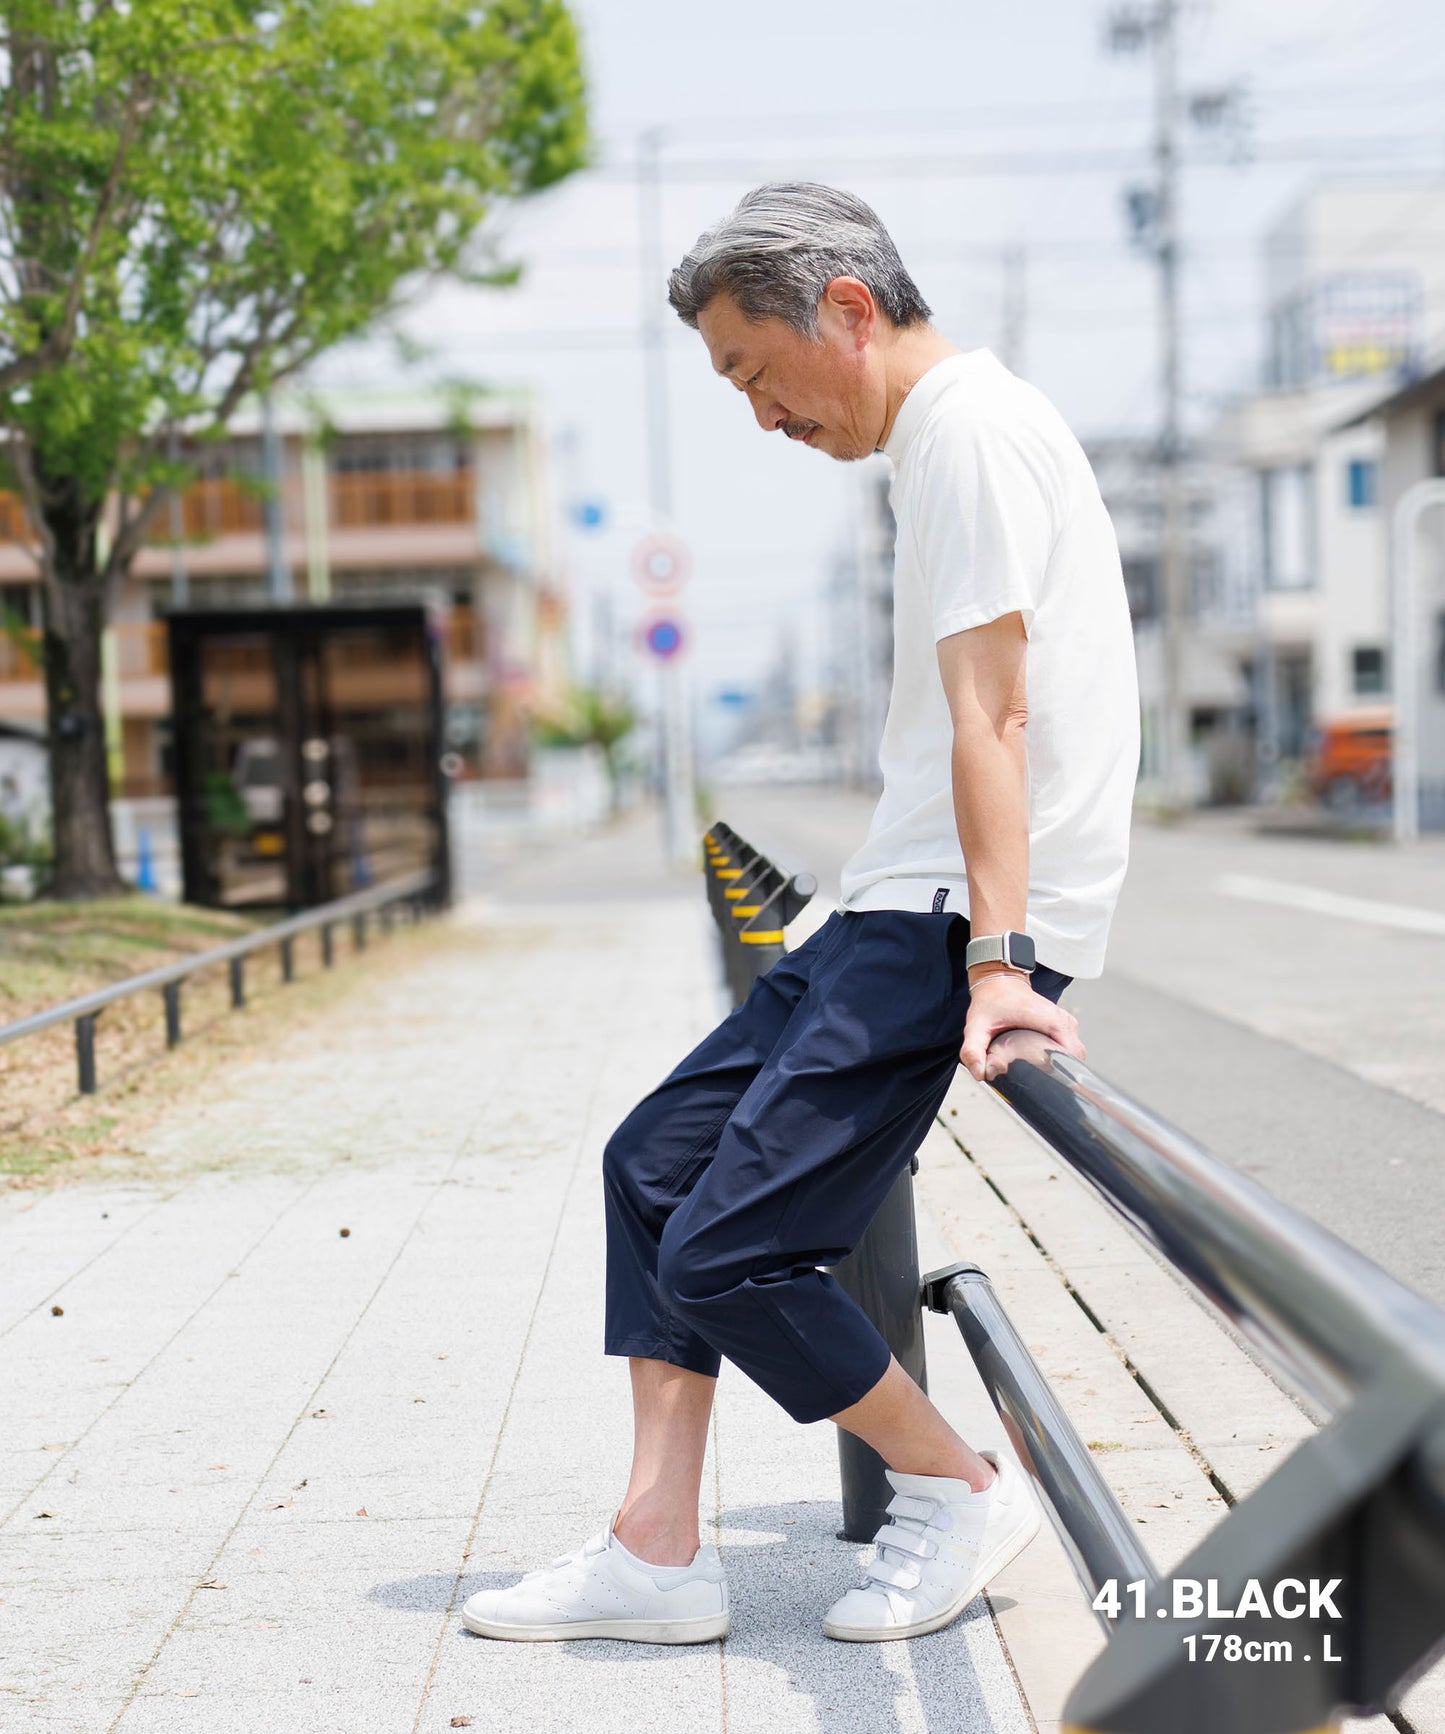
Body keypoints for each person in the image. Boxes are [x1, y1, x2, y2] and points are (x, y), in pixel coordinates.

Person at [462, 183, 1139, 1647]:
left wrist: (1002, 960)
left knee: (731, 1248)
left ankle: (955, 1483)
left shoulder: (966, 434)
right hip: (879, 902)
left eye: (753, 375)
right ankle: (654, 1548)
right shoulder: (946, 442)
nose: (760, 416)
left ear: (844, 306)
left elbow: (996, 713)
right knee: (654, 1164)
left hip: (941, 921)